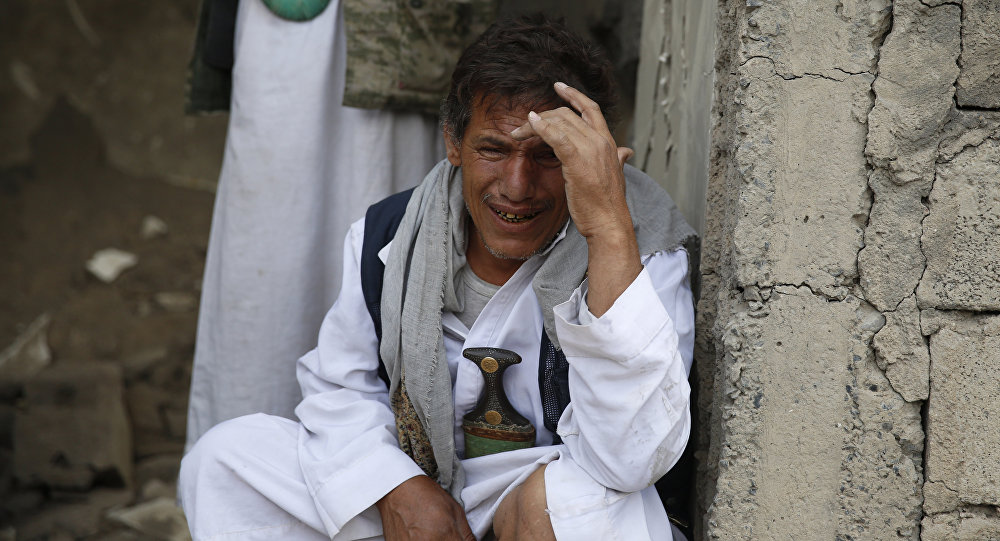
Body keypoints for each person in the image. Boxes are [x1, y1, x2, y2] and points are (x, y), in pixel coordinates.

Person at [180, 14, 696, 541]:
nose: (517, 187)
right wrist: (392, 486)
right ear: (454, 143)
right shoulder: (391, 235)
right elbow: (341, 389)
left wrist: (607, 227)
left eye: (548, 156)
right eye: (493, 149)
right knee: (226, 461)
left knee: (564, 511)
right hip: (430, 486)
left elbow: (629, 456)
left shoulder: (640, 248)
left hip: (560, 493)